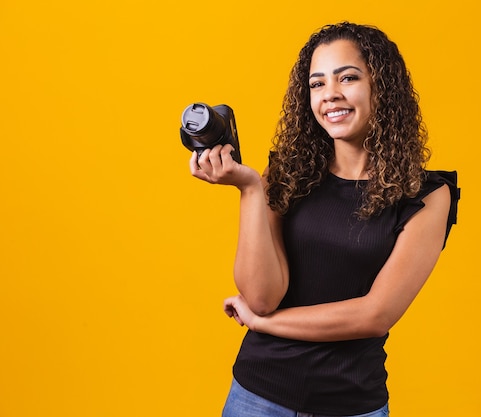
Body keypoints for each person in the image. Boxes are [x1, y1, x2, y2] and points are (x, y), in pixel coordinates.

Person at [190, 21, 460, 417]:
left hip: (351, 404)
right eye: (317, 84)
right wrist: (250, 190)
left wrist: (265, 325)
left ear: (381, 88)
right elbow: (262, 298)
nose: (330, 95)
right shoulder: (288, 173)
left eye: (348, 77)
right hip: (256, 398)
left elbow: (374, 315)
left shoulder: (426, 196)